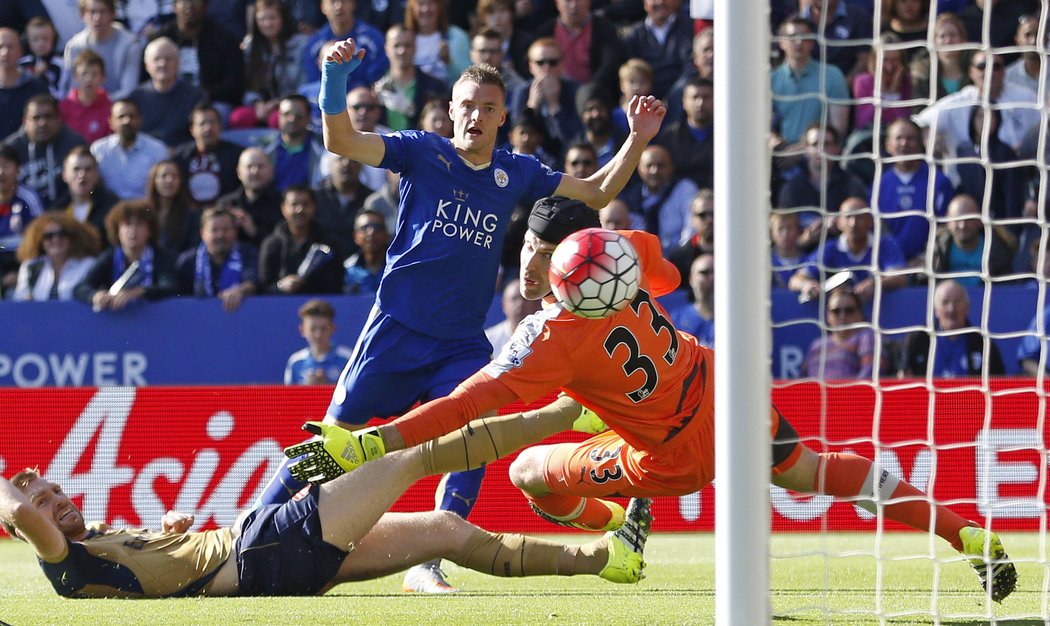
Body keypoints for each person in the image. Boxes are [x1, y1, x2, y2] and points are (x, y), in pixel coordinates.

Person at [291, 195, 1017, 603]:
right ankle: (968, 534)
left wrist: (374, 441)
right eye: (528, 257)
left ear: (557, 259)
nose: (533, 268)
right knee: (815, 471)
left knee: (527, 474)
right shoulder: (627, 250)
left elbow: (470, 402)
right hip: (722, 388)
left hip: (671, 452)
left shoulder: (552, 338)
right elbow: (665, 274)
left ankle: (619, 545)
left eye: (541, 258)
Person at [258, 38, 665, 593]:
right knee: (331, 444)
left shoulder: (515, 172)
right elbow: (340, 138)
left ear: (502, 116)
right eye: (466, 105)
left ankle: (427, 564)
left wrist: (637, 140)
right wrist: (332, 78)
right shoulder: (421, 152)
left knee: (474, 437)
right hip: (394, 332)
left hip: (459, 345)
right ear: (451, 110)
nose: (475, 115)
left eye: (487, 107)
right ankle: (250, 532)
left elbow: (595, 191)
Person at [0, 456, 650, 599]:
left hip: (270, 561)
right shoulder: (66, 568)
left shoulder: (99, 542)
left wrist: (172, 528)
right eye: (44, 503)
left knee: (448, 528)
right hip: (262, 550)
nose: (55, 502)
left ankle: (603, 557)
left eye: (56, 490)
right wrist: (17, 498)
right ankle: (563, 408)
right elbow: (22, 515)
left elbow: (168, 561)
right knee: (407, 459)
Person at [914, 50, 1039, 157]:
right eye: (982, 66)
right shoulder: (958, 102)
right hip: (969, 177)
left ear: (1003, 71)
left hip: (1018, 172)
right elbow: (917, 121)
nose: (989, 71)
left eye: (996, 66)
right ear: (971, 72)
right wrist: (927, 133)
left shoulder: (1025, 97)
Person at [790, 197, 909, 303]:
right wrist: (806, 285)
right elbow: (795, 280)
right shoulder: (829, 249)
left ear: (870, 221)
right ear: (839, 223)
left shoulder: (886, 244)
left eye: (859, 217)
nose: (853, 223)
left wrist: (875, 283)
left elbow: (900, 278)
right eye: (848, 217)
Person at [872, 118, 954, 264]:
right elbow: (875, 231)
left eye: (910, 138)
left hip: (930, 265)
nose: (904, 143)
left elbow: (945, 228)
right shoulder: (879, 185)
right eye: (899, 138)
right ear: (888, 145)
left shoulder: (939, 181)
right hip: (890, 268)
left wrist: (926, 256)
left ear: (920, 144)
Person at [74, 199, 178, 311]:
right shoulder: (109, 256)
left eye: (139, 225)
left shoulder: (162, 257)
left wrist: (138, 292)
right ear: (117, 231)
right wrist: (94, 296)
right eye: (127, 224)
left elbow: (171, 287)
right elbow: (81, 287)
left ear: (150, 231)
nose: (133, 231)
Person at [778, 124, 868, 252]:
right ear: (805, 150)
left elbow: (866, 228)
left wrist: (841, 225)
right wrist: (804, 240)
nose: (820, 149)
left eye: (827, 144)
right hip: (802, 260)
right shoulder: (791, 189)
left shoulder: (852, 184)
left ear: (837, 148)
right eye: (815, 144)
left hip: (842, 258)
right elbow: (781, 236)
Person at [149, 0, 245, 114]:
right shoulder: (160, 39)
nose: (189, 5)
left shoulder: (225, 39)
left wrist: (205, 95)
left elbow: (234, 83)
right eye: (184, 1)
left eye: (195, 1)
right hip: (166, 99)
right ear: (174, 6)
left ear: (205, 6)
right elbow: (146, 78)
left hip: (210, 103)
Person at [229, 0, 310, 130]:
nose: (267, 24)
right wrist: (257, 103)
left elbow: (304, 82)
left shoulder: (301, 44)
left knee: (277, 119)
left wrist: (281, 102)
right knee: (238, 118)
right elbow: (247, 85)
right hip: (261, 106)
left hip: (291, 102)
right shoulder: (250, 47)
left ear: (282, 18)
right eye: (262, 19)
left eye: (272, 18)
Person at [900, 279, 1005, 378]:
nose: (951, 309)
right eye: (945, 302)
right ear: (936, 310)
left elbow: (997, 384)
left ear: (967, 307)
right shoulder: (916, 341)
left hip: (969, 397)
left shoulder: (983, 345)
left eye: (957, 302)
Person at [770, 15, 850, 146]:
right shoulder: (771, 79)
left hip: (819, 152)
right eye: (792, 37)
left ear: (812, 43)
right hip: (780, 154)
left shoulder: (832, 75)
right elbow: (762, 125)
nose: (799, 42)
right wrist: (772, 140)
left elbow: (838, 128)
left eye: (805, 37)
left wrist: (802, 148)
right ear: (782, 43)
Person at [258, 185, 345, 295]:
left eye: (305, 204)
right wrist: (280, 287)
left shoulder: (330, 244)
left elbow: (336, 286)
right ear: (283, 208)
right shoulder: (271, 244)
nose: (300, 210)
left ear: (314, 207)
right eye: (294, 204)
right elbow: (263, 286)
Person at [4, 94, 88, 208]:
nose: (42, 123)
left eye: (48, 116)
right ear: (25, 122)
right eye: (36, 118)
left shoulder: (74, 144)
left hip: (67, 212)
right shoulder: (10, 149)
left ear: (59, 119)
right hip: (22, 215)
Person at [175, 205, 258, 313]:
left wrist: (239, 291)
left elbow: (252, 282)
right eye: (214, 230)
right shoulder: (187, 261)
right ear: (202, 233)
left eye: (226, 229)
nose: (220, 235)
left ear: (235, 231)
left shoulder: (248, 253)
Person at [509, 38, 581, 161]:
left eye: (553, 62)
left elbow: (574, 138)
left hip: (565, 160)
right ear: (531, 66)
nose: (547, 68)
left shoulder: (574, 90)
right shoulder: (522, 92)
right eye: (540, 63)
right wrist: (531, 108)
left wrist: (554, 106)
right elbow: (518, 137)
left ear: (562, 64)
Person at [128, 37, 205, 148]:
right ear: (147, 66)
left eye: (168, 59)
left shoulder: (194, 96)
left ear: (178, 63)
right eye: (156, 59)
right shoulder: (136, 97)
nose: (162, 64)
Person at [622, 144, 699, 254]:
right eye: (649, 165)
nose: (655, 171)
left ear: (671, 167)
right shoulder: (631, 198)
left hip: (677, 259)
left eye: (660, 165)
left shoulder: (684, 189)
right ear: (639, 168)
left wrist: (680, 256)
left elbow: (691, 228)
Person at [373, 24, 449, 132]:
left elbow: (442, 126)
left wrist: (411, 111)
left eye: (407, 45)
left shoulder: (435, 87)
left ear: (415, 47)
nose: (402, 51)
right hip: (383, 146)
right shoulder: (375, 85)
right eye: (396, 46)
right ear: (386, 49)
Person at [89, 98, 170, 200]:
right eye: (121, 117)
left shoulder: (157, 150)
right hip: (107, 210)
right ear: (111, 122)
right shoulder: (98, 150)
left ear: (140, 120)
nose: (127, 121)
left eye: (131, 116)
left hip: (145, 210)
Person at [536, 0, 622, 95]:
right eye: (568, 1)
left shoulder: (605, 29)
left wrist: (587, 91)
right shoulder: (545, 32)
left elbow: (610, 65)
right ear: (557, 4)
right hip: (554, 95)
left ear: (589, 2)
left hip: (593, 95)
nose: (574, 5)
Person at [801, 287, 888, 379]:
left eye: (849, 310)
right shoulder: (816, 345)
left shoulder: (868, 336)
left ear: (860, 314)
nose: (842, 316)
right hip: (815, 392)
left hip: (852, 392)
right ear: (828, 316)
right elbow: (802, 380)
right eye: (836, 311)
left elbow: (869, 374)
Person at [931, 194, 1016, 289]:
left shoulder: (998, 251)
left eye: (968, 219)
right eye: (957, 220)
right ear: (948, 221)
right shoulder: (936, 251)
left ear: (979, 220)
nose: (962, 225)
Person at [61, 0, 141, 100]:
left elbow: (129, 90)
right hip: (82, 109)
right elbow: (67, 88)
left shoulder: (130, 45)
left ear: (113, 14)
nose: (97, 18)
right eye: (92, 12)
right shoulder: (73, 47)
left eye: (103, 12)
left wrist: (101, 105)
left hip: (115, 107)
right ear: (82, 15)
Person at [12, 210, 100, 301]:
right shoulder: (30, 266)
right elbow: (19, 300)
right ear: (40, 241)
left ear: (72, 238)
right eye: (49, 236)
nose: (56, 239)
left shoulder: (88, 265)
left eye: (62, 234)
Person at [301, 0, 387, 88]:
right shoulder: (314, 44)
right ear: (322, 7)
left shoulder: (373, 39)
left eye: (344, 1)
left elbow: (378, 81)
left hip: (362, 97)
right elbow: (311, 83)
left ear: (353, 4)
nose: (339, 6)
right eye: (332, 1)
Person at [171, 103, 243, 208]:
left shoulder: (237, 155)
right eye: (202, 123)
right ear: (192, 130)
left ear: (220, 127)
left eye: (212, 122)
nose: (208, 128)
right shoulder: (179, 158)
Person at [621, 0, 693, 99]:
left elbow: (690, 66)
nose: (660, 2)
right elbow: (631, 69)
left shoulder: (688, 27)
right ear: (645, 4)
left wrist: (673, 96)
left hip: (680, 95)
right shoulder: (635, 34)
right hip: (645, 97)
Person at [49, 145, 119, 245]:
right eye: (76, 169)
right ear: (64, 175)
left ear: (96, 174)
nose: (82, 174)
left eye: (88, 169)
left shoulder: (111, 208)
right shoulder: (56, 210)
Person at [216, 147, 283, 248]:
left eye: (260, 166)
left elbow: (284, 245)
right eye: (249, 167)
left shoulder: (283, 203)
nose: (255, 171)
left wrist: (254, 231)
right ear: (239, 173)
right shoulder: (225, 204)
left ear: (271, 170)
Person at [0, 143, 45, 293]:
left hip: (23, 269)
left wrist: (19, 274)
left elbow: (40, 240)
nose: (1, 172)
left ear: (18, 170)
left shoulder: (29, 199)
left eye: (6, 166)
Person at [654, 76, 713, 190]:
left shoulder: (726, 137)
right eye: (695, 97)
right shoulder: (670, 136)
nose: (700, 103)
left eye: (706, 97)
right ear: (684, 102)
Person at [261, 95, 327, 191]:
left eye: (298, 115)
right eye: (286, 114)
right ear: (278, 116)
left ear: (309, 117)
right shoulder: (264, 147)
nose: (292, 119)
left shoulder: (323, 147)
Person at [850, 33, 913, 131]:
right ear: (874, 60)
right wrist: (880, 94)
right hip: (869, 136)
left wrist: (893, 94)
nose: (890, 67)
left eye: (895, 60)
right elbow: (862, 122)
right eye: (885, 60)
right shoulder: (862, 81)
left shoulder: (908, 81)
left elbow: (906, 122)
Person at [314, 154, 373, 254]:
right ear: (330, 165)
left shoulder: (371, 200)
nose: (346, 163)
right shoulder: (315, 198)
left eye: (353, 160)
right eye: (340, 158)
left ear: (361, 166)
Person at [285, 298, 354, 385]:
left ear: (333, 328)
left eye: (323, 329)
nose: (318, 334)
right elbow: (290, 396)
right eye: (312, 329)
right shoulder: (295, 362)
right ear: (302, 330)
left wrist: (325, 387)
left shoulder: (348, 358)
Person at [403, 0, 470, 87]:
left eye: (431, 3)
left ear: (439, 6)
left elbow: (468, 77)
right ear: (411, 7)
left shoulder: (456, 37)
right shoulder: (403, 39)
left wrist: (448, 62)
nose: (426, 9)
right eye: (421, 4)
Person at [800, 0, 872, 80]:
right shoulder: (797, 23)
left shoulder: (859, 16)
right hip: (806, 87)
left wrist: (841, 86)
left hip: (847, 86)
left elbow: (865, 60)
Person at [0, 28, 49, 141]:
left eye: (10, 47)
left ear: (20, 51)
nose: (5, 52)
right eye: (1, 47)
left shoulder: (37, 88)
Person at [909, 12, 971, 102]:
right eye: (942, 36)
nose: (948, 40)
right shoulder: (922, 74)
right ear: (934, 42)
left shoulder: (975, 71)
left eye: (953, 35)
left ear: (963, 40)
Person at [145, 159, 197, 257]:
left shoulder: (191, 214)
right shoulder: (144, 212)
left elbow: (193, 247)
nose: (169, 180)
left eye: (175, 176)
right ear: (154, 180)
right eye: (164, 176)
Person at [59, 50, 112, 145]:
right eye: (84, 74)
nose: (89, 79)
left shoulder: (110, 108)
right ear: (75, 76)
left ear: (102, 77)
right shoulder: (63, 107)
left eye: (94, 74)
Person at [667, 188, 714, 285]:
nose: (709, 220)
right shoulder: (678, 258)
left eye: (714, 214)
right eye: (702, 215)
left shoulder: (736, 254)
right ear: (692, 219)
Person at [573, 81, 625, 169]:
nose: (596, 114)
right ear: (582, 114)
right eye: (590, 109)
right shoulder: (573, 150)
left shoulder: (624, 145)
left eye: (600, 108)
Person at [485, 278, 541, 357]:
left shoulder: (547, 337)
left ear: (537, 303)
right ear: (504, 305)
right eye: (514, 298)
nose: (520, 304)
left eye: (526, 299)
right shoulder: (488, 340)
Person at [670, 252, 714, 348]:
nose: (712, 278)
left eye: (716, 272)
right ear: (691, 279)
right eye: (704, 273)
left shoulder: (738, 320)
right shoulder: (675, 321)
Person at [342, 209, 388, 296]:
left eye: (377, 227)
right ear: (355, 236)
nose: (371, 232)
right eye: (364, 228)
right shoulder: (347, 270)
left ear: (387, 235)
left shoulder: (398, 268)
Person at [18, 16, 63, 98]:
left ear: (53, 39)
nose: (40, 44)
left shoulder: (62, 65)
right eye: (35, 39)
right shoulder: (22, 64)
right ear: (28, 41)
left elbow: (63, 93)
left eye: (45, 38)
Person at [770, 210, 805, 290]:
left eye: (789, 228)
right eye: (780, 229)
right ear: (772, 234)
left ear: (798, 231)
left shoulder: (809, 261)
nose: (785, 233)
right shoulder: (766, 262)